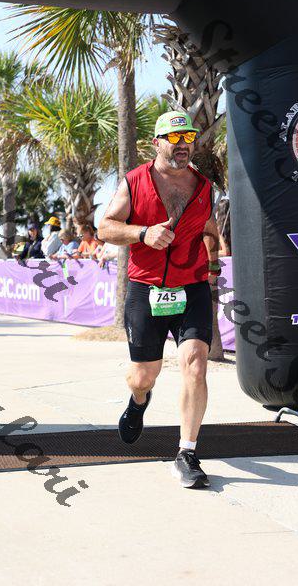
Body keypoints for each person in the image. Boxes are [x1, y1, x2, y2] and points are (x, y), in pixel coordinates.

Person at [98, 110, 221, 489]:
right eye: (175, 138)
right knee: (142, 376)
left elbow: (208, 228)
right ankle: (138, 402)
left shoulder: (203, 186)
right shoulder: (135, 181)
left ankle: (187, 453)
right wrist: (142, 233)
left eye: (189, 137)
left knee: (195, 364)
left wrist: (213, 262)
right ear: (157, 143)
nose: (183, 144)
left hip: (192, 286)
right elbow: (105, 228)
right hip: (146, 288)